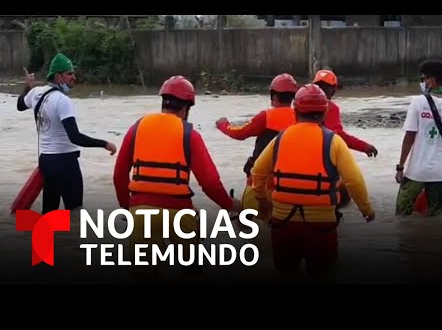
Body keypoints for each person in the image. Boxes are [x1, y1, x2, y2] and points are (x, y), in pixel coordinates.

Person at [113, 75, 242, 278]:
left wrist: (128, 206)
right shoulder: (190, 134)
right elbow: (210, 184)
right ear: (187, 107)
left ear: (163, 101)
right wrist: (231, 205)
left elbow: (119, 175)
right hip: (179, 213)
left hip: (141, 211)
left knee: (142, 274)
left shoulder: (137, 128)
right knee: (191, 270)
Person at [250, 84, 375, 275]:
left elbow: (257, 172)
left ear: (295, 110)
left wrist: (263, 200)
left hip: (283, 224)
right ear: (324, 113)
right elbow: (354, 180)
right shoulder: (334, 141)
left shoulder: (280, 139)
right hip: (321, 226)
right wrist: (366, 209)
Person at [17, 53, 117, 214]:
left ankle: (50, 238)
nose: (73, 77)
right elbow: (75, 137)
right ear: (58, 76)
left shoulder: (36, 93)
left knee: (49, 213)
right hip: (65, 163)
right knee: (75, 213)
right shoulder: (63, 101)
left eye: (73, 73)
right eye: (69, 74)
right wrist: (104, 144)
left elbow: (20, 105)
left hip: (46, 162)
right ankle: (70, 239)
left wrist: (28, 85)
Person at [215, 73, 298, 221]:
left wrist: (223, 125)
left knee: (249, 229)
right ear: (293, 97)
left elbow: (239, 133)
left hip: (259, 187)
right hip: (290, 191)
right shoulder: (301, 120)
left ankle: (237, 214)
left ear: (273, 96)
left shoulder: (265, 117)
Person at [395, 59, 442, 217]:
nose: (422, 82)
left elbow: (409, 137)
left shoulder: (418, 102)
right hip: (440, 173)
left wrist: (400, 167)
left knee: (401, 216)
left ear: (431, 80)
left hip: (416, 172)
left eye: (423, 78)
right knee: (437, 220)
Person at [313, 69, 378, 208]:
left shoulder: (297, 108)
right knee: (344, 193)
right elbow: (339, 136)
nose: (323, 90)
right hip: (325, 165)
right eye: (321, 87)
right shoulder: (331, 108)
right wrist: (364, 146)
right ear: (334, 90)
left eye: (324, 87)